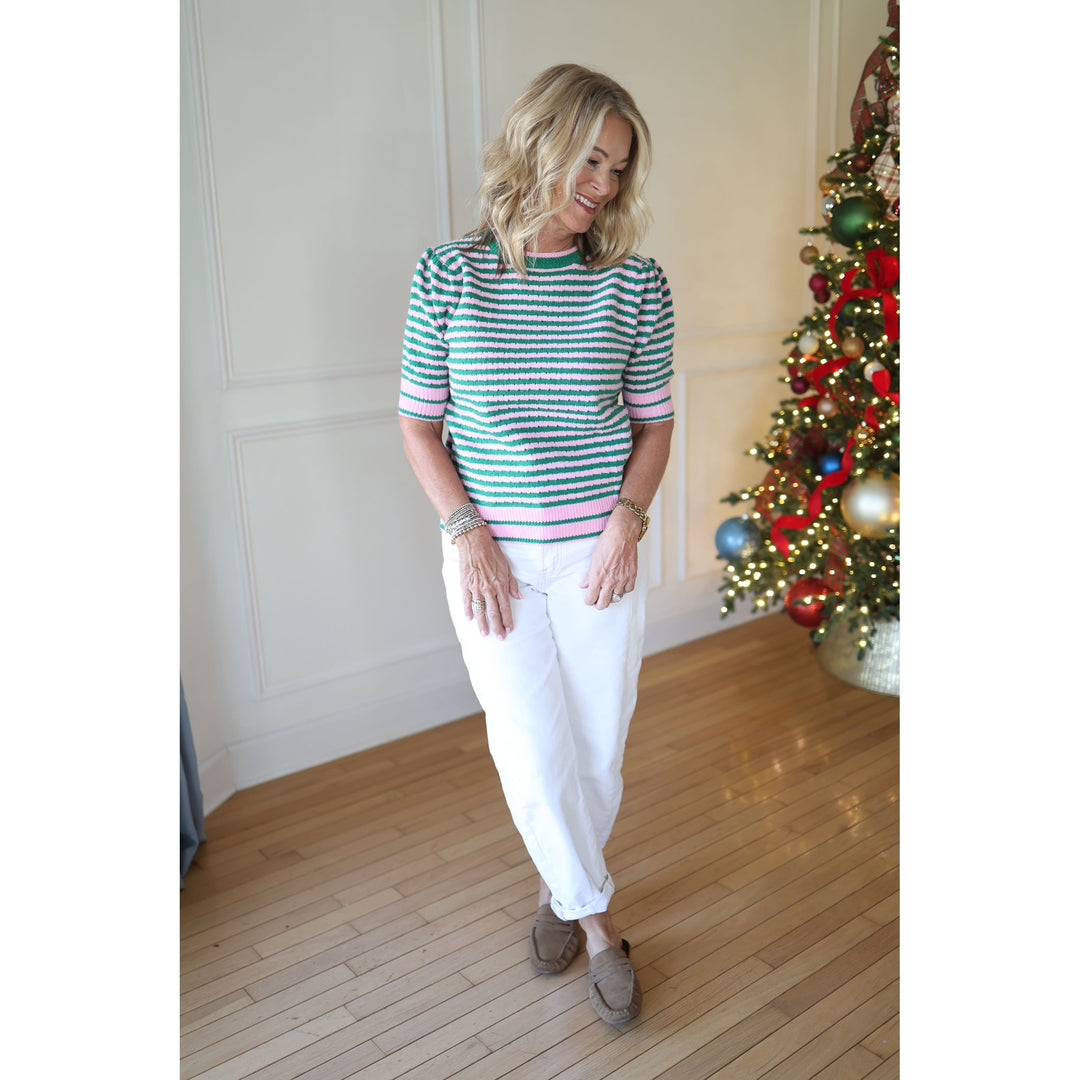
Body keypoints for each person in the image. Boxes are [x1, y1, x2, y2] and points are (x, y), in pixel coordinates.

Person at [398, 63, 674, 1025]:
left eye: (619, 167)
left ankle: (561, 891)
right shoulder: (447, 274)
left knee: (596, 749)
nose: (602, 183)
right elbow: (419, 427)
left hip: (602, 552)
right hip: (494, 560)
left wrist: (626, 522)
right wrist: (464, 531)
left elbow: (654, 426)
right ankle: (600, 925)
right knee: (529, 746)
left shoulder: (637, 284)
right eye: (588, 159)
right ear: (538, 144)